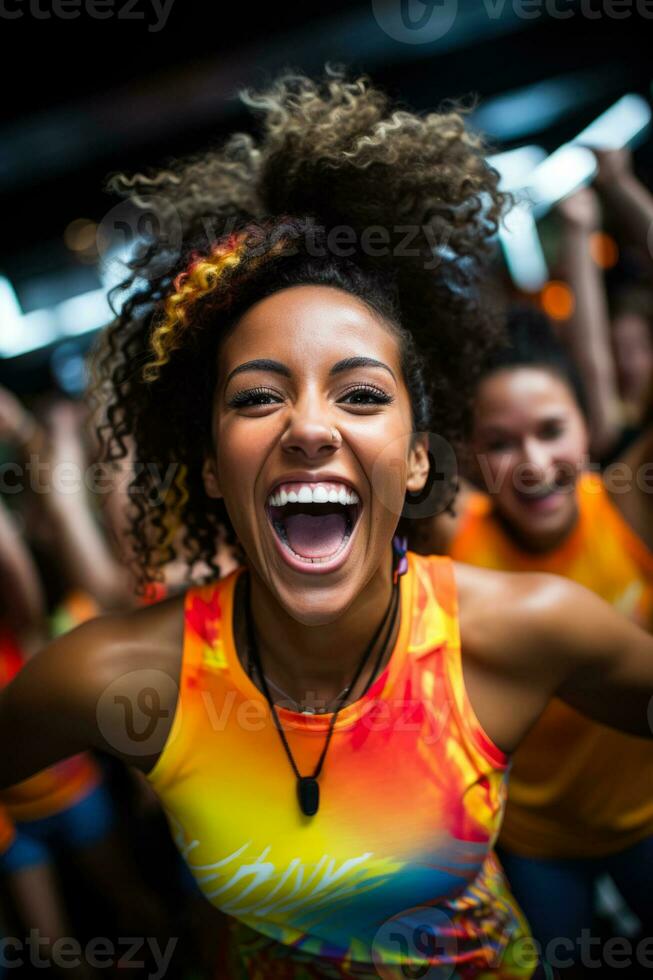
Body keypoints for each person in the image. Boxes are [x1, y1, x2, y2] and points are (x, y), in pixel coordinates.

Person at [1, 72, 653, 980]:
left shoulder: (515, 630)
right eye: (260, 397)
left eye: (358, 394)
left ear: (417, 459)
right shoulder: (123, 677)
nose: (309, 427)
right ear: (209, 470)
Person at [411, 306, 653, 958]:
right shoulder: (452, 535)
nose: (532, 462)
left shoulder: (630, 507)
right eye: (499, 442)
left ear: (587, 425)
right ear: (465, 455)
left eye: (551, 430)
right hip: (534, 847)